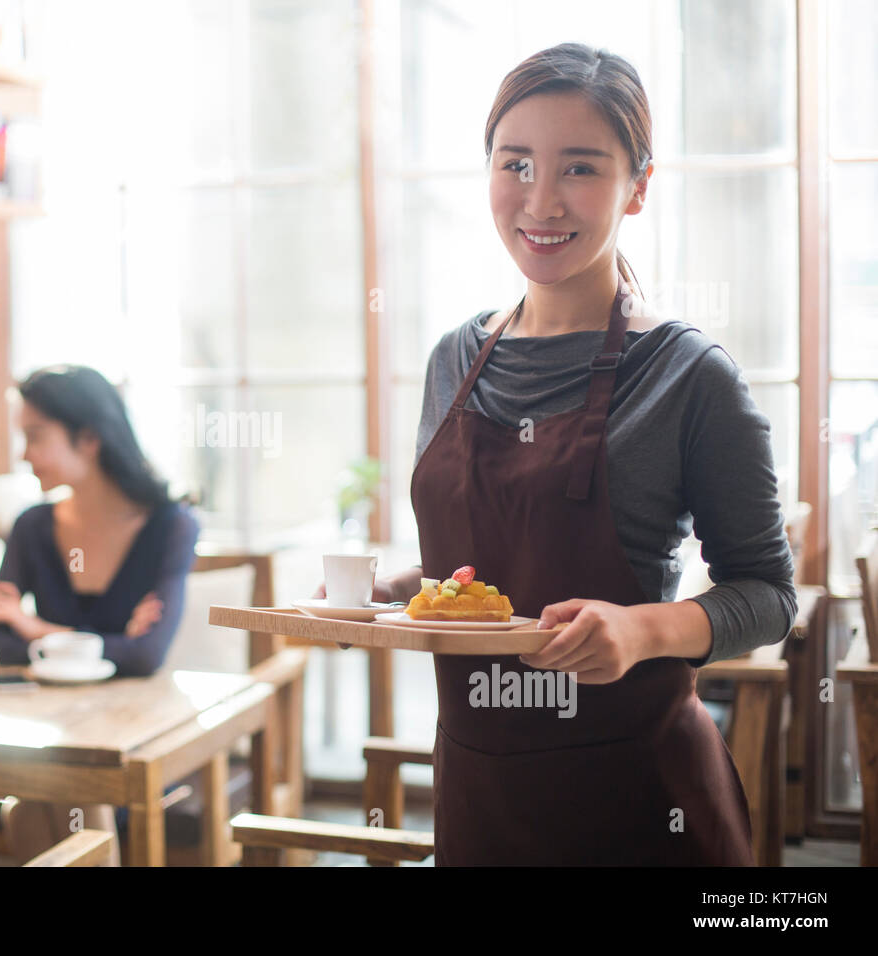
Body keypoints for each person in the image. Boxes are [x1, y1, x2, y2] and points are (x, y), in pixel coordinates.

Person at [327, 43, 798, 865]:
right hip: (482, 799)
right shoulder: (453, 358)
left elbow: (767, 596)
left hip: (641, 803)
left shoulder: (689, 376)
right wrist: (402, 594)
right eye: (516, 163)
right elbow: (484, 572)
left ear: (638, 187)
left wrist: (643, 629)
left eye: (580, 168)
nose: (540, 200)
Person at [0, 364, 200, 864]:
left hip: (138, 736)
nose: (23, 454)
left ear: (89, 438)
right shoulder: (33, 527)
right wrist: (100, 642)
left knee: (57, 795)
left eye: (35, 436)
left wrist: (35, 628)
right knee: (32, 803)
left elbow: (146, 655)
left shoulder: (171, 526)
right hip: (53, 731)